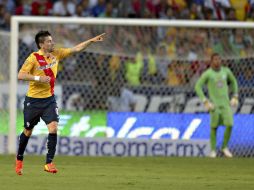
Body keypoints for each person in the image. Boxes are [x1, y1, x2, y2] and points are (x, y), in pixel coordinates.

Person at [16, 30, 105, 175]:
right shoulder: (33, 58)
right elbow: (20, 75)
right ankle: (19, 159)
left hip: (49, 100)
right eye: (49, 41)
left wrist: (91, 41)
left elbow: (76, 49)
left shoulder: (56, 54)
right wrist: (38, 79)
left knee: (53, 127)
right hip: (33, 101)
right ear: (41, 44)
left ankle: (49, 163)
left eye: (52, 40)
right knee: (28, 131)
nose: (52, 43)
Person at [195, 53, 238, 158]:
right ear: (211, 61)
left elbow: (234, 82)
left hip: (226, 104)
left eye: (219, 59)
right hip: (214, 105)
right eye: (215, 59)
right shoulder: (208, 74)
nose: (217, 61)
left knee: (230, 124)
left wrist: (235, 96)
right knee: (214, 127)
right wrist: (205, 101)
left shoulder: (226, 71)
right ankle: (213, 150)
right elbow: (197, 86)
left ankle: (224, 147)